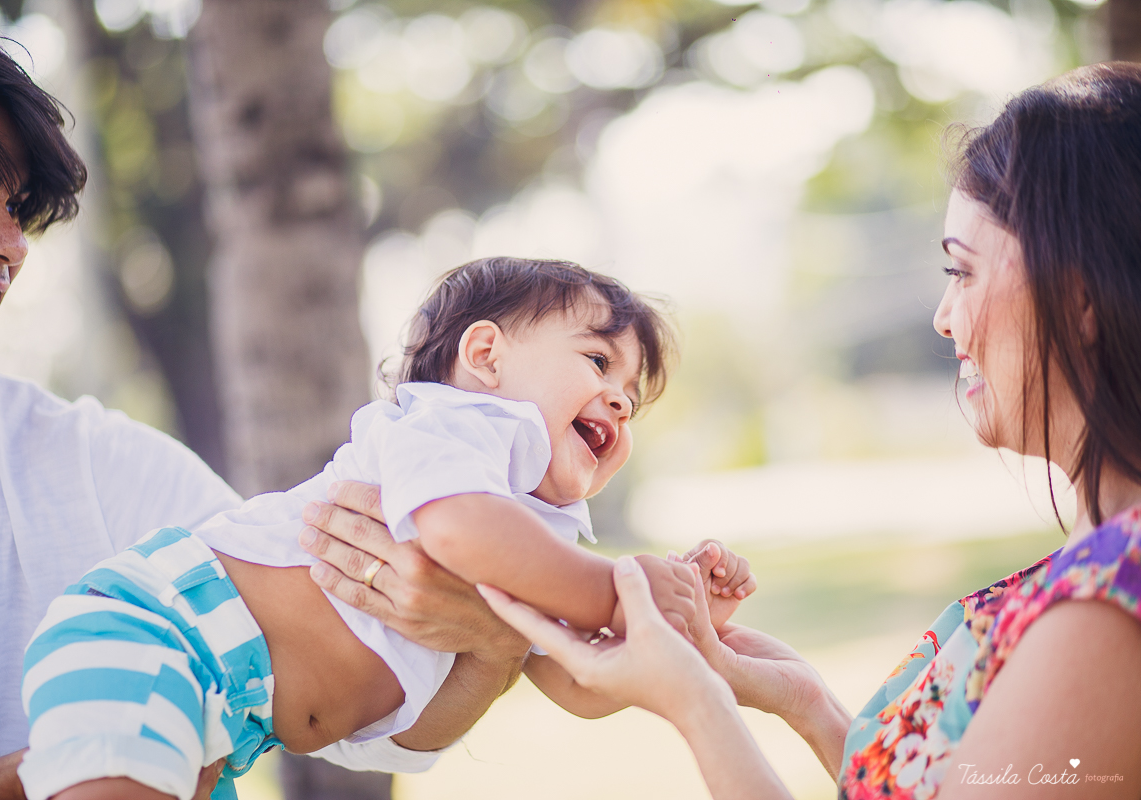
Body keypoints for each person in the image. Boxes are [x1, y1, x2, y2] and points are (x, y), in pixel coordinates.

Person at [472, 61, 1141, 798]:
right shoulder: (1097, 572)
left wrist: (693, 700)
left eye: (963, 273)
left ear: (1080, 293)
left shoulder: (1110, 607)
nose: (944, 318)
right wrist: (804, 699)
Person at [0, 19, 531, 800]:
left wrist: (493, 648)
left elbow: (332, 702)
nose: (10, 244)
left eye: (16, 207)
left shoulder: (86, 460)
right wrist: (25, 776)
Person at [18, 257, 755, 800]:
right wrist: (623, 589)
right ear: (486, 357)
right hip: (159, 636)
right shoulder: (453, 426)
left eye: (632, 396)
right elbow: (460, 530)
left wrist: (682, 626)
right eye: (599, 362)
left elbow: (580, 683)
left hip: (229, 726)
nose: (620, 402)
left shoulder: (541, 540)